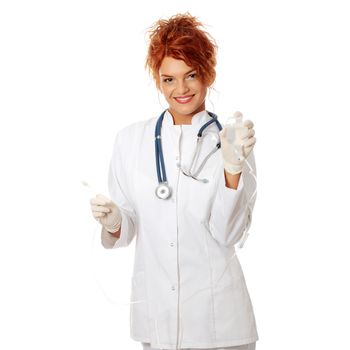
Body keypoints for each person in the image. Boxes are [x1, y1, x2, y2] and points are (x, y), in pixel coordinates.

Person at [90, 12, 258, 350]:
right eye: (169, 79)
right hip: (158, 319)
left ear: (207, 73)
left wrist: (233, 169)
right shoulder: (130, 141)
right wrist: (114, 221)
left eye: (191, 75)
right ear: (158, 80)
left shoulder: (232, 141)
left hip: (219, 323)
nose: (180, 90)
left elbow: (228, 234)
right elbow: (128, 227)